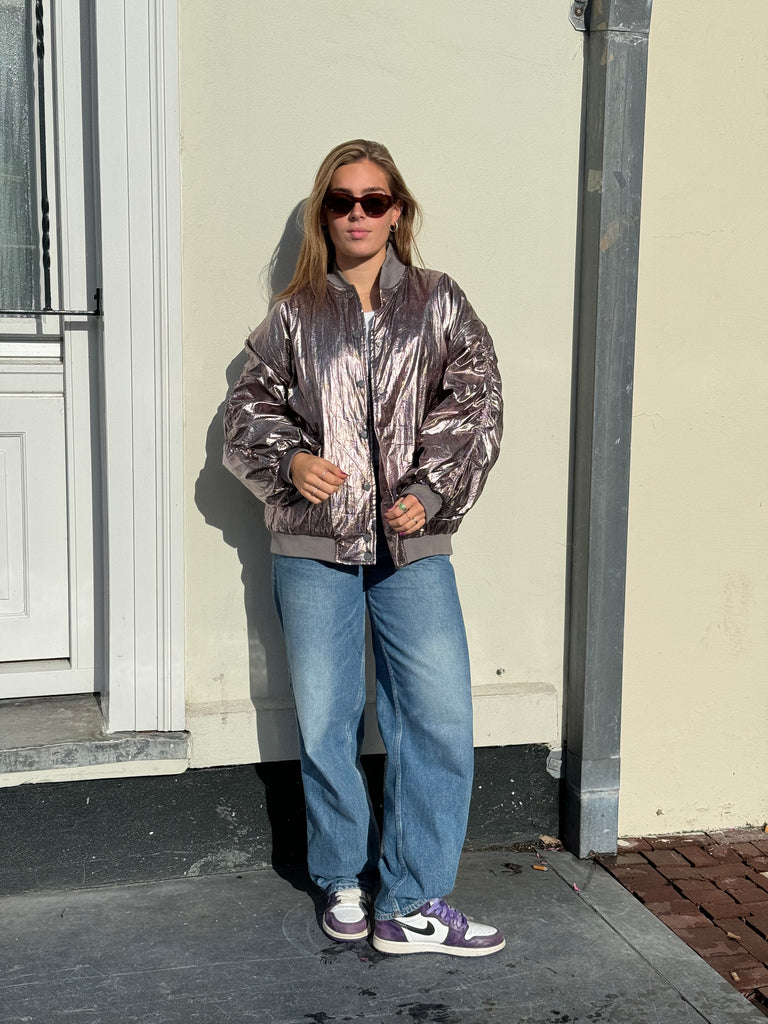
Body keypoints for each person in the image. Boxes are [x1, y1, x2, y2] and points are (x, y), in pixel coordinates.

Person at [223, 140, 503, 957]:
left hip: (412, 546)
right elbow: (246, 412)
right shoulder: (294, 314)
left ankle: (411, 900)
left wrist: (431, 491)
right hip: (312, 548)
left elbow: (477, 401)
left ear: (397, 210)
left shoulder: (439, 301)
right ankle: (342, 876)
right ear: (325, 215)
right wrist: (289, 462)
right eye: (341, 201)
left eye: (373, 200)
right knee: (326, 720)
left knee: (438, 717)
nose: (357, 214)